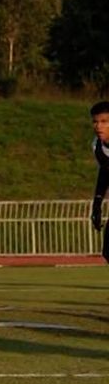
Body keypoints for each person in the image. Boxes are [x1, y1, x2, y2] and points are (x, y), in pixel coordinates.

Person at [90, 101, 109, 263]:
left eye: (104, 122)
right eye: (95, 121)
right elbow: (105, 173)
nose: (98, 126)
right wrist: (97, 203)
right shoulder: (97, 146)